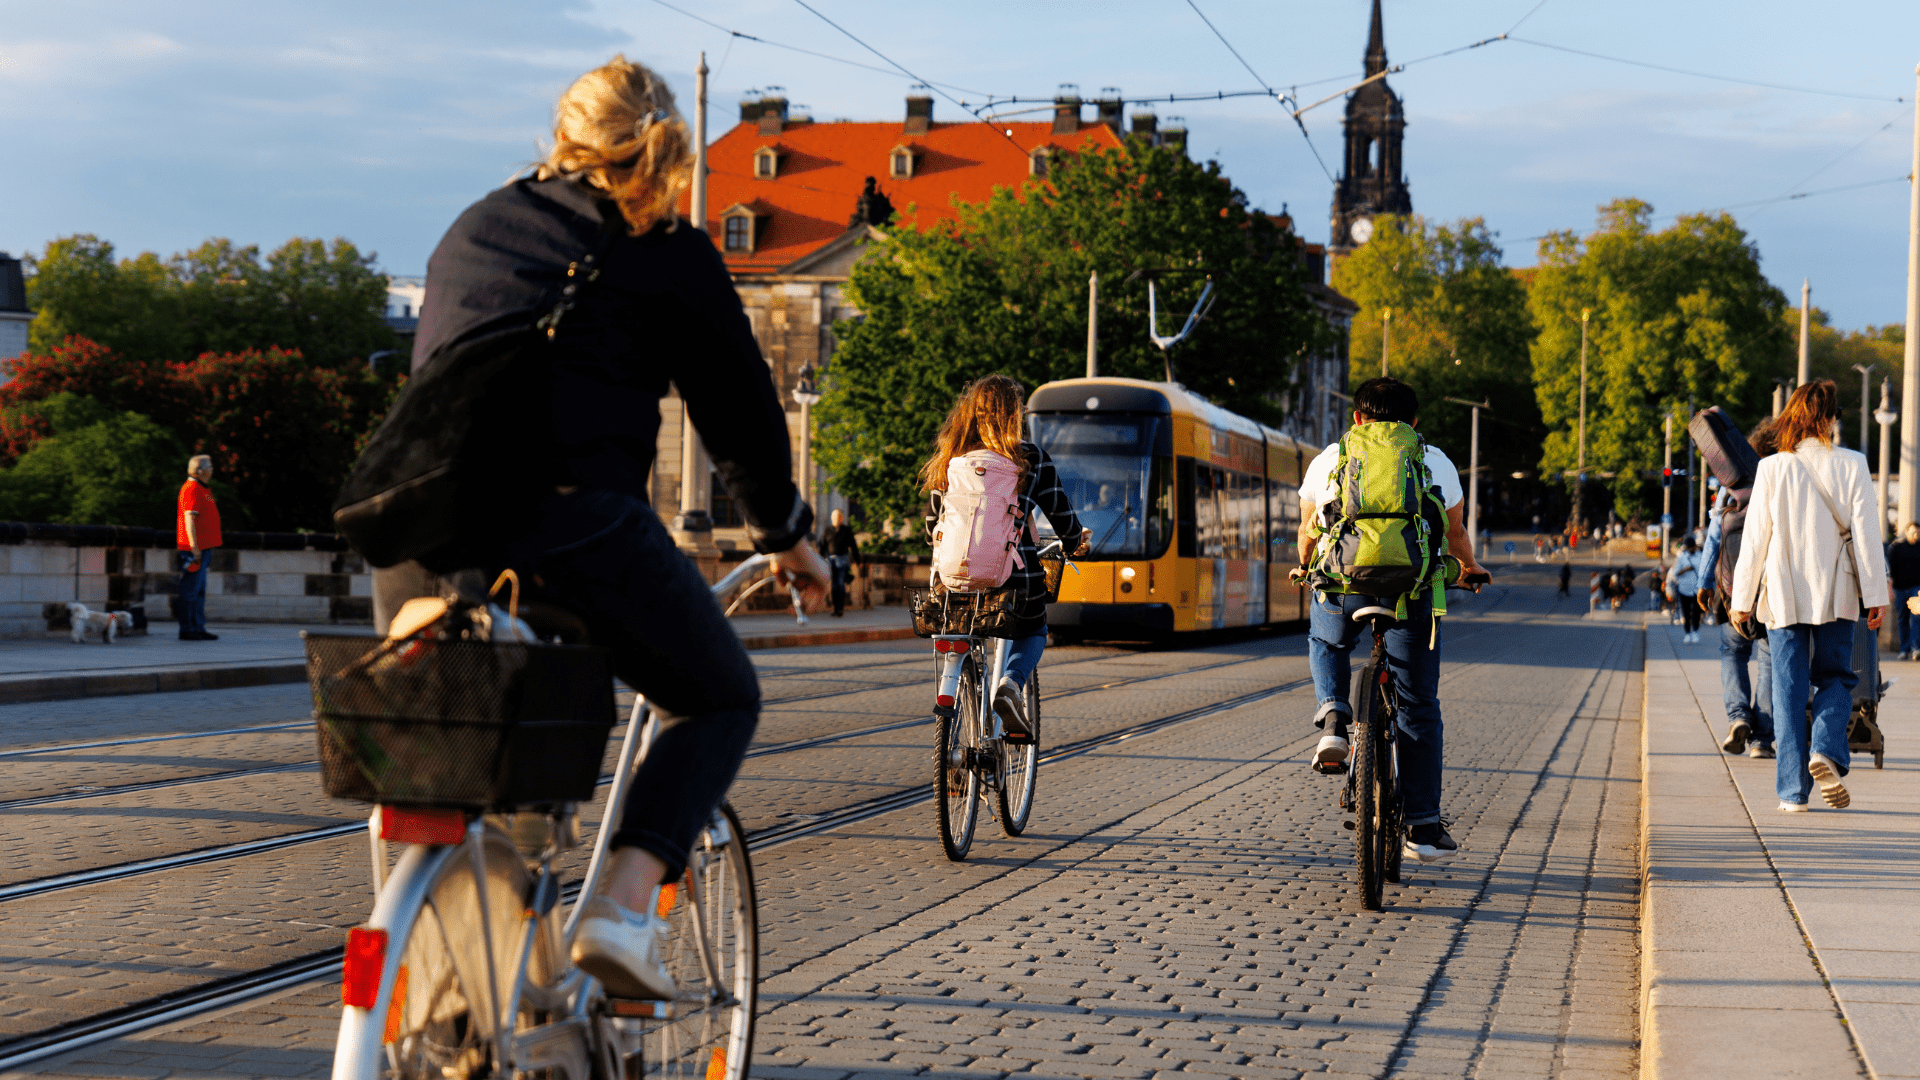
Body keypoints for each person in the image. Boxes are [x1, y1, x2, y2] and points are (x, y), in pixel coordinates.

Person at [376, 56, 831, 1000]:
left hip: (422, 537)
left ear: (564, 134)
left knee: (454, 767)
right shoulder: (664, 247)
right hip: (570, 529)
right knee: (718, 698)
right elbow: (741, 418)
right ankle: (622, 911)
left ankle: (444, 994)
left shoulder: (476, 225)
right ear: (668, 150)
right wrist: (786, 534)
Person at [1294, 377, 1489, 862]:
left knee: (1327, 642)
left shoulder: (1330, 458)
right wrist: (1470, 568)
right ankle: (1422, 826)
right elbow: (1455, 533)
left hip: (1344, 588)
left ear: (1357, 417)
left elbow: (1309, 529)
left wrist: (1303, 565)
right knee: (1418, 705)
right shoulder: (1434, 460)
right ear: (1414, 422)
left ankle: (1334, 718)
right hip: (1410, 592)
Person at [1730, 380, 1887, 813]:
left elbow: (1755, 540)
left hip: (1783, 593)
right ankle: (1826, 750)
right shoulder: (1853, 464)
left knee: (1788, 690)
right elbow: (1866, 536)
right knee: (1836, 677)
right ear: (1831, 418)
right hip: (1837, 591)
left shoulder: (1772, 468)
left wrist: (1741, 600)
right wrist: (1876, 595)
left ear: (1792, 418)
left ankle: (1792, 794)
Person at [920, 374, 1090, 741]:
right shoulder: (1029, 459)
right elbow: (1063, 520)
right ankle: (1010, 684)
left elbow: (932, 526)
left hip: (951, 587)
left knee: (960, 633)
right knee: (1035, 630)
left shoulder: (952, 457)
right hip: (1015, 585)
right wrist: (1077, 542)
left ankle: (953, 743)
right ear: (1015, 415)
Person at [1700, 418, 1779, 759]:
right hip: (1771, 591)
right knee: (1770, 662)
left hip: (1732, 591)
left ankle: (1738, 717)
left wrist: (1704, 582)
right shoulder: (1783, 476)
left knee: (1732, 652)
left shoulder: (1731, 485)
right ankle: (1762, 740)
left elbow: (1714, 536)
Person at [176, 454, 222, 642]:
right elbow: (189, 519)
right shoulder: (192, 489)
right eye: (209, 466)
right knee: (190, 590)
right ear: (199, 470)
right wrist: (194, 547)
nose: (212, 469)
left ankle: (198, 627)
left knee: (199, 590)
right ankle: (187, 628)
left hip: (203, 547)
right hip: (195, 549)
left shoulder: (202, 488)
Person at [1887, 522, 1920, 659]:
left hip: (1916, 588)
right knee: (1902, 619)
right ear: (1906, 532)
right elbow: (1890, 571)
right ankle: (1904, 649)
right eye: (1913, 533)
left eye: (1917, 533)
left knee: (1917, 617)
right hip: (1900, 588)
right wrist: (1890, 589)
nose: (1915, 535)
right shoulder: (1897, 548)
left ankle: (1916, 648)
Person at [820, 509, 859, 617]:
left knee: (840, 584)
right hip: (831, 560)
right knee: (833, 585)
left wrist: (858, 560)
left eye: (838, 517)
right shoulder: (828, 530)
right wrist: (820, 559)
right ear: (832, 518)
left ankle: (840, 609)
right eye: (835, 517)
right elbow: (822, 545)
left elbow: (853, 545)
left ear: (841, 518)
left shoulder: (846, 530)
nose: (836, 519)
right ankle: (835, 608)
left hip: (843, 560)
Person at [1668, 538, 1706, 642]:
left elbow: (1704, 571)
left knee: (1696, 611)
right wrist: (1685, 569)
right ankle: (1687, 633)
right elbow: (1675, 573)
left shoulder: (1700, 556)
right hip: (1684, 588)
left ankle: (1695, 631)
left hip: (1697, 589)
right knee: (1686, 612)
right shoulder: (1682, 557)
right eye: (1689, 547)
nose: (1691, 549)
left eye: (1692, 547)